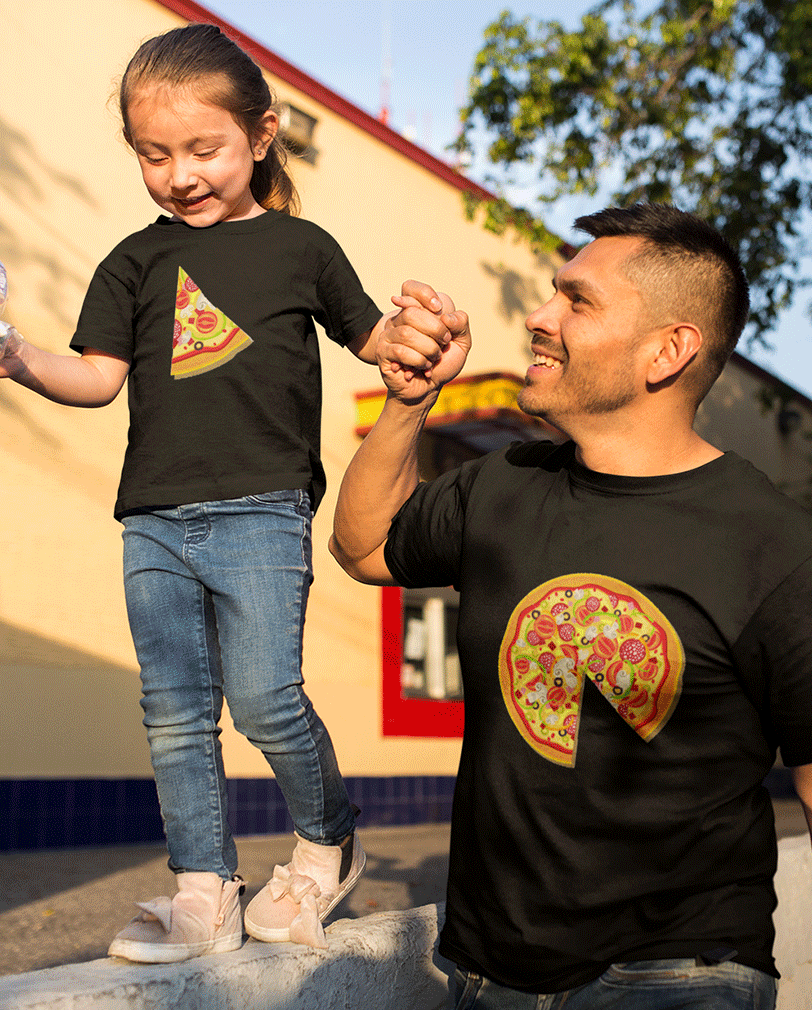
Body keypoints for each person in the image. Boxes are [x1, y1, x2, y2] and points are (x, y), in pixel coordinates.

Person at [330, 204, 812, 1009]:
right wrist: (408, 402)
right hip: (489, 977)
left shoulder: (767, 541)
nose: (539, 318)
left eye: (578, 301)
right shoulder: (505, 485)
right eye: (552, 294)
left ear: (668, 351)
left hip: (676, 977)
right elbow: (364, 547)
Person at [0, 22, 435, 964]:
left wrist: (418, 334)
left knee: (268, 695)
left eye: (204, 150)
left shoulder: (302, 249)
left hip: (262, 509)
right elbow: (96, 377)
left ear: (262, 135)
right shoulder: (133, 261)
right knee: (174, 711)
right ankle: (204, 888)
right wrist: (15, 354)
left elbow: (374, 342)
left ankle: (330, 839)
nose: (179, 175)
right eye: (154, 155)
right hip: (152, 521)